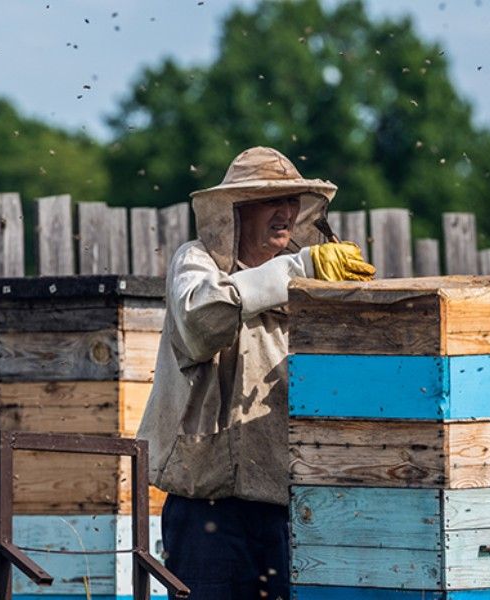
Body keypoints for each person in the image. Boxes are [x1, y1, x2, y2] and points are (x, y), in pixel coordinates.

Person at [136, 147, 375, 599]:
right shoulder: (197, 263)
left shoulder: (308, 279)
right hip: (207, 512)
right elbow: (199, 321)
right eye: (272, 200)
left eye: (291, 201)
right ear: (237, 211)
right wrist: (295, 270)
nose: (286, 211)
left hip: (287, 508)